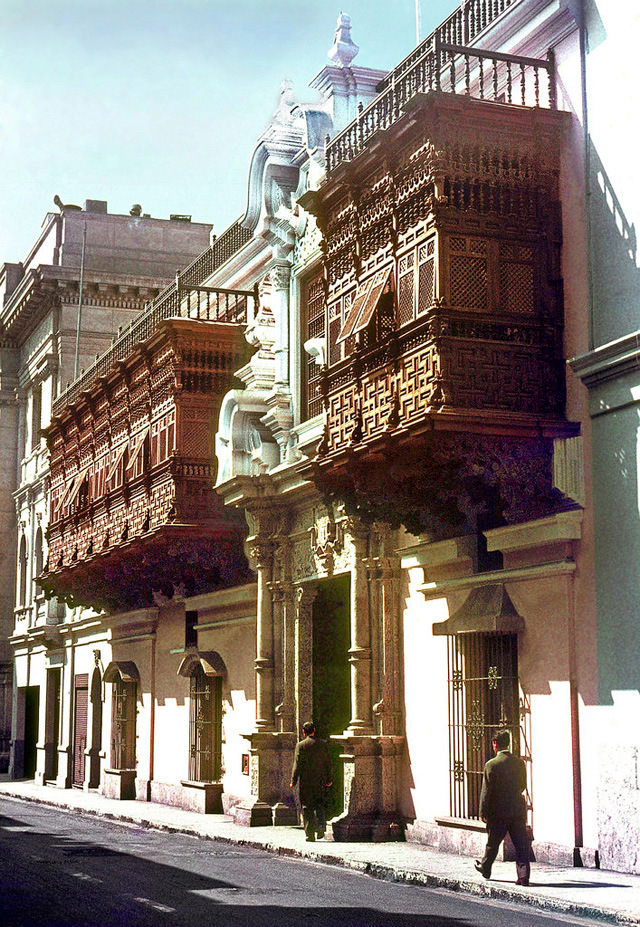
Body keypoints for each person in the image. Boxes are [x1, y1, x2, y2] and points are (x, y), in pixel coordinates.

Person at [475, 728, 531, 885]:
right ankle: (523, 876)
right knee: (521, 844)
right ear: (509, 744)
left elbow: (486, 791)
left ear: (495, 744)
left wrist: (483, 811)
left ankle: (486, 867)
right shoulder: (519, 763)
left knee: (493, 842)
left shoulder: (491, 765)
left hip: (498, 811)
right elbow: (522, 785)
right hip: (517, 810)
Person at [290, 721, 333, 842]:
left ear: (304, 732)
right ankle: (320, 828)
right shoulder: (323, 744)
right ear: (314, 730)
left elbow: (297, 765)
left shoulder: (301, 746)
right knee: (320, 804)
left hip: (306, 782)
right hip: (320, 780)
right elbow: (328, 763)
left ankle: (310, 834)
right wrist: (329, 778)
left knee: (307, 807)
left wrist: (293, 780)